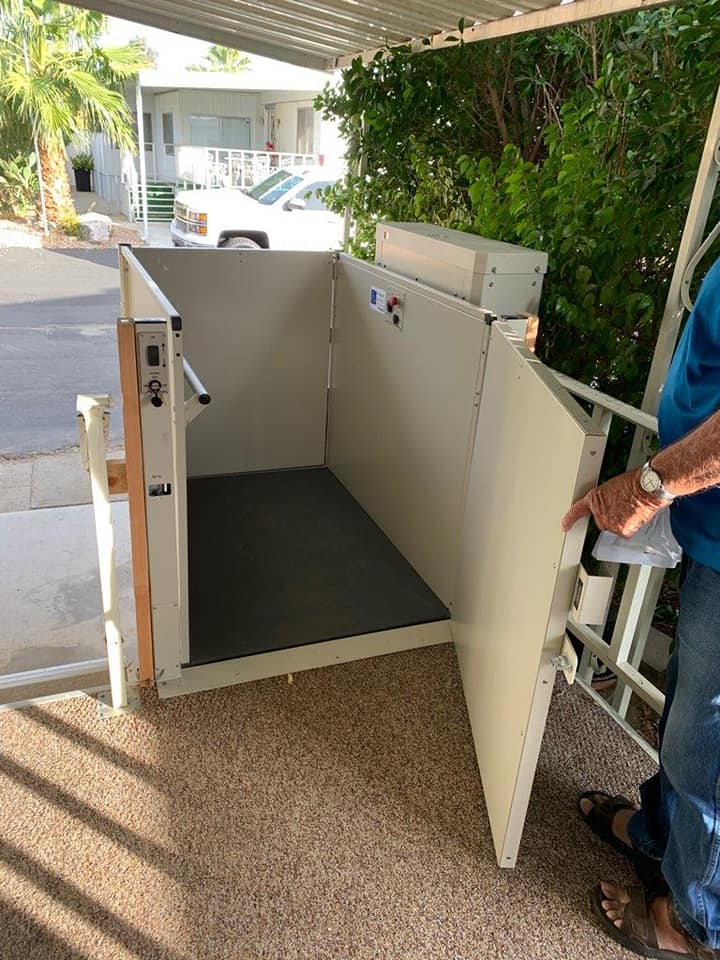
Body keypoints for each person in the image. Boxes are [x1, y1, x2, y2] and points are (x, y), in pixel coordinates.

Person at [562, 255, 720, 958]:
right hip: (711, 532)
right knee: (688, 707)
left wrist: (652, 485)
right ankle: (661, 836)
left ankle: (694, 923)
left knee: (707, 744)